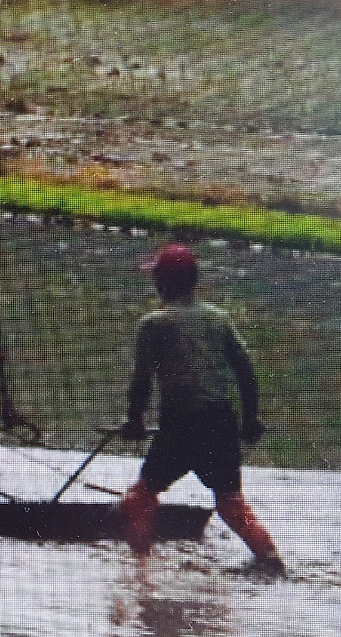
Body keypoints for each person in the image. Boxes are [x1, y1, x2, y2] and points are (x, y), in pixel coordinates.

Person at [119, 243, 285, 574]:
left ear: (161, 284)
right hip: (220, 423)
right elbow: (245, 372)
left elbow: (141, 382)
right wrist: (250, 420)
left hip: (180, 426)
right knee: (231, 504)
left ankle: (139, 574)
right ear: (194, 282)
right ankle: (271, 562)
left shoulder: (153, 324)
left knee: (141, 498)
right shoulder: (218, 319)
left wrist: (134, 421)